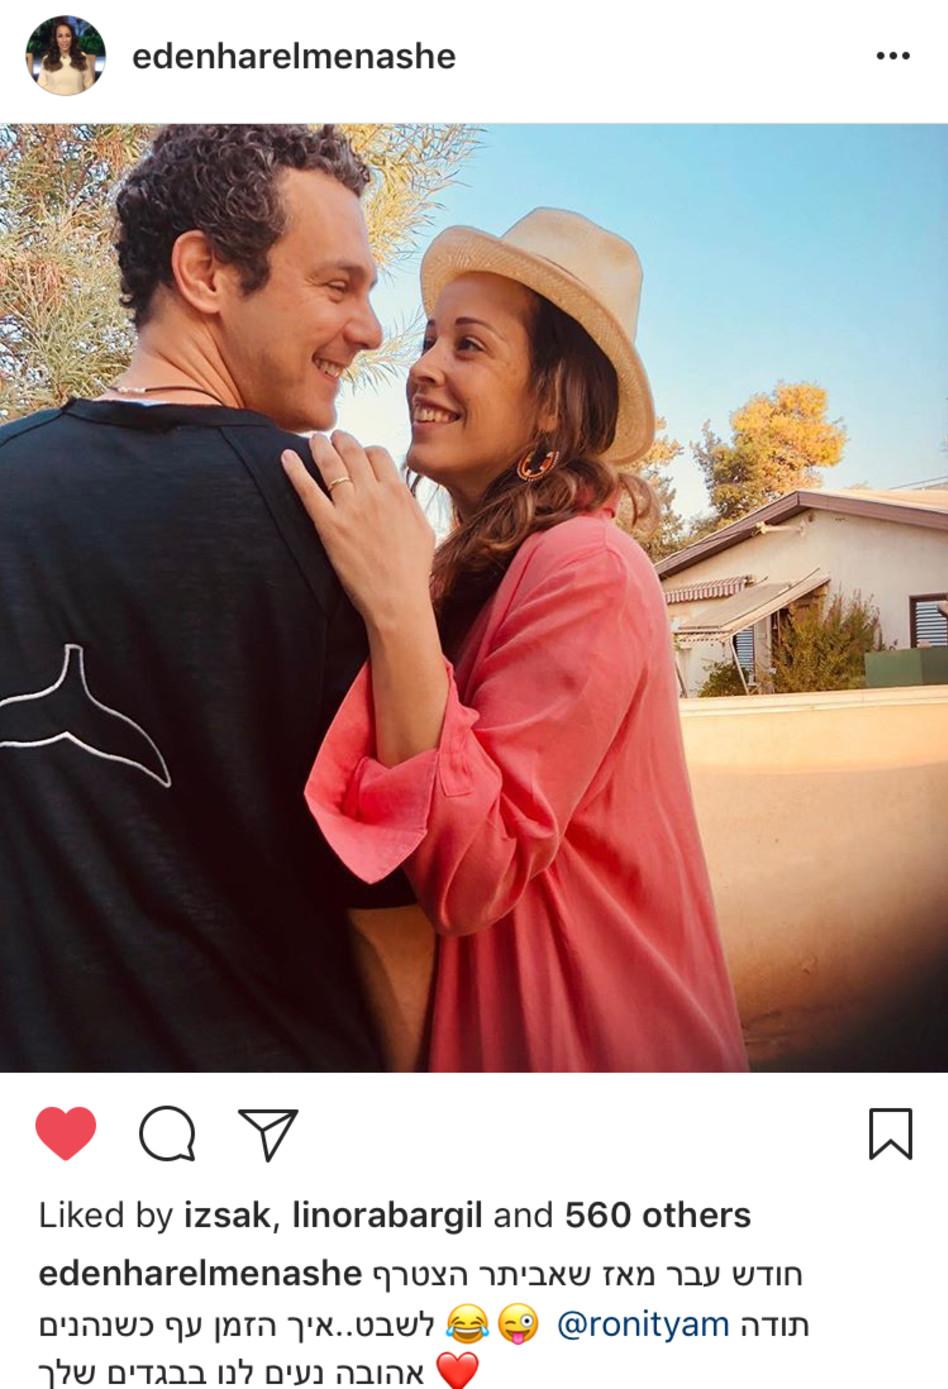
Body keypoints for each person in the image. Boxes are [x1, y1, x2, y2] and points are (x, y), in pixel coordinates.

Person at [284, 209, 749, 1072]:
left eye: (469, 345)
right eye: (431, 337)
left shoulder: (590, 568)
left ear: (552, 407)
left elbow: (474, 870)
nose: (423, 366)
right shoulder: (474, 575)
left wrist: (396, 606)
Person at [0, 124, 412, 1071]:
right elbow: (388, 899)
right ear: (206, 273)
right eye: (337, 286)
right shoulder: (342, 518)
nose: (371, 330)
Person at [36, 20, 95, 95]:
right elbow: (41, 86)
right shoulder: (46, 60)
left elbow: (89, 85)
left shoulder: (82, 57)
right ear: (55, 39)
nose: (64, 40)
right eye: (60, 36)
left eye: (67, 36)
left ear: (72, 38)